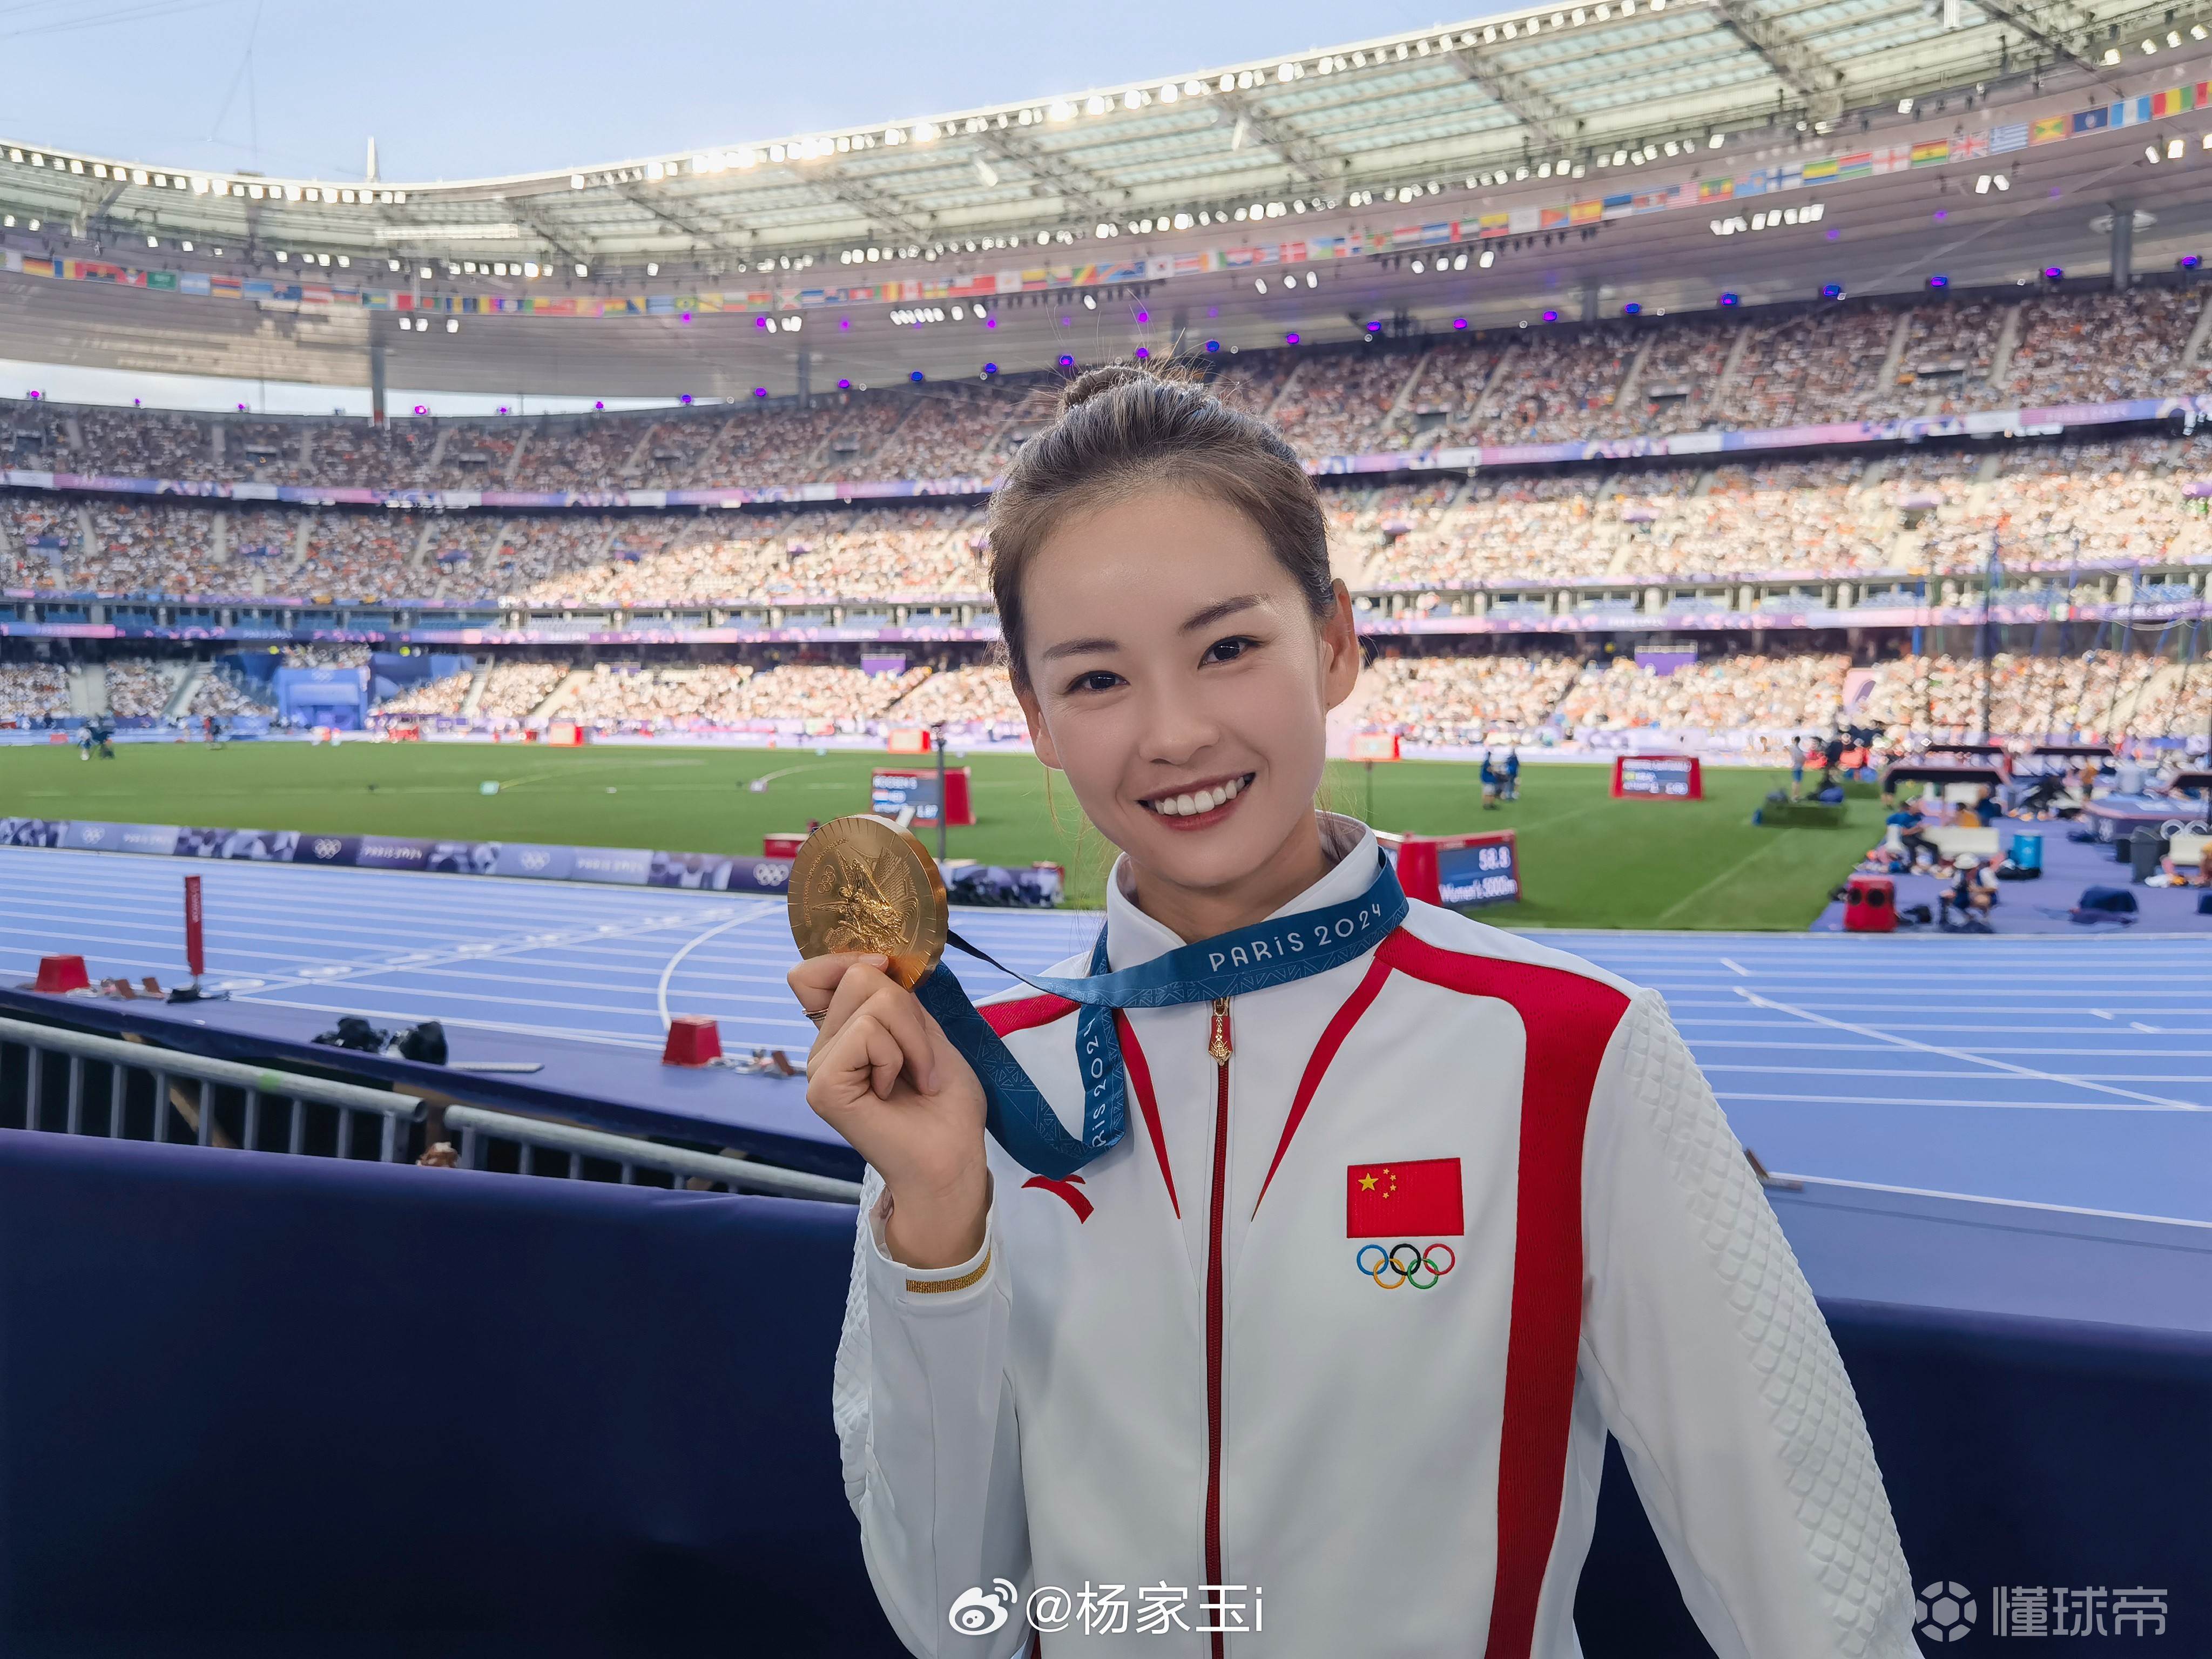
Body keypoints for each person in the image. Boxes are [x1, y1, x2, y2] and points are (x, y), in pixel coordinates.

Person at [795, 365, 1913, 1659]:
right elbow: (955, 1622)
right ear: (1034, 716)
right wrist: (936, 1226)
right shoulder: (977, 1088)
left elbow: (1817, 1599)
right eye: (1096, 680)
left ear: (1333, 643)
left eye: (1226, 649)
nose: (1171, 733)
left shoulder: (1569, 1052)